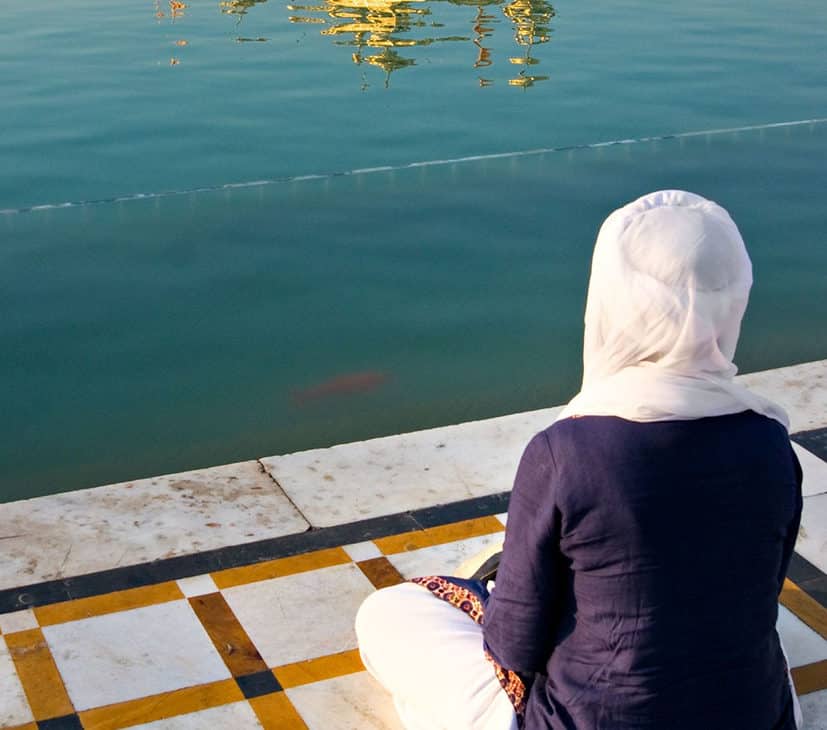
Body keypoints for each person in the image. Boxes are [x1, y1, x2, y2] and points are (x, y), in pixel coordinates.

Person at [355, 190, 804, 730]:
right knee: (767, 637)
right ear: (733, 299)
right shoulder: (772, 443)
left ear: (614, 301)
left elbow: (513, 645)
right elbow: (763, 589)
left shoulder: (565, 452)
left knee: (390, 615)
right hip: (756, 719)